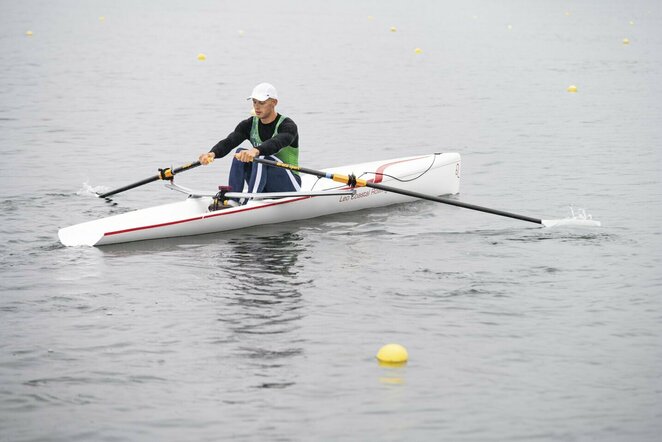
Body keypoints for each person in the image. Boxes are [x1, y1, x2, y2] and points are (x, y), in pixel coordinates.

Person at [199, 83, 301, 208]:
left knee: (261, 157)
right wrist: (212, 153)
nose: (257, 107)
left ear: (274, 102)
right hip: (264, 185)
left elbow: (276, 143)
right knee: (240, 152)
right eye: (254, 102)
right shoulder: (249, 124)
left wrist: (256, 150)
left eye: (261, 103)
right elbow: (229, 141)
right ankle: (233, 199)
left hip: (289, 185)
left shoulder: (288, 126)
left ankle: (252, 202)